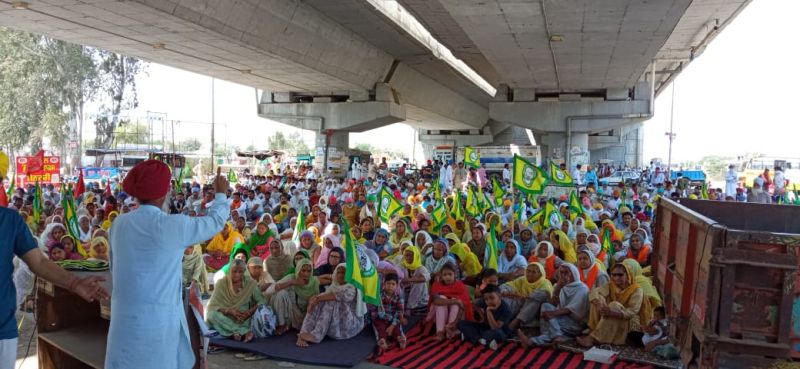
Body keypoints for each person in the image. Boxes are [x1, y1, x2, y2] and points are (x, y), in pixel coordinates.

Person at [106, 161, 229, 369]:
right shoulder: (172, 225)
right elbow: (215, 222)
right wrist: (220, 194)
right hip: (158, 323)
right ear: (164, 193)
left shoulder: (118, 224)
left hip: (123, 321)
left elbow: (114, 268)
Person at [577, 263, 650, 347]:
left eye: (620, 275)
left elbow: (632, 312)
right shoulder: (611, 285)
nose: (616, 278)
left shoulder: (637, 290)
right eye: (614, 275)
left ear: (628, 275)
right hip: (611, 314)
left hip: (629, 321)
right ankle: (594, 330)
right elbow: (594, 292)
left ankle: (593, 339)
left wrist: (612, 313)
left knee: (614, 305)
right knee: (597, 300)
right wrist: (600, 306)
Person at [296, 264, 366, 347]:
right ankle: (303, 333)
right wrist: (313, 302)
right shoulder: (334, 285)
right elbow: (323, 296)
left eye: (343, 273)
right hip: (333, 323)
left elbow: (336, 296)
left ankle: (316, 335)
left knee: (329, 301)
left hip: (346, 325)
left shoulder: (352, 288)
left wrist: (316, 299)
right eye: (338, 272)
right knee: (319, 301)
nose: (340, 275)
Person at [519, 264, 589, 346]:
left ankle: (548, 337)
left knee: (550, 318)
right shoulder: (562, 286)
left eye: (566, 272)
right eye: (561, 272)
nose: (563, 275)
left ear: (574, 273)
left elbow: (570, 310)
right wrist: (558, 287)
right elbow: (552, 304)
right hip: (560, 320)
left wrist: (553, 314)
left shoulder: (582, 288)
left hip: (574, 323)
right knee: (546, 306)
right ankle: (558, 336)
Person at [206, 259, 266, 342]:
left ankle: (234, 332)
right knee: (211, 315)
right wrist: (229, 311)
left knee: (247, 321)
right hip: (225, 318)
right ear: (229, 271)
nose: (237, 274)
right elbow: (212, 306)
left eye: (240, 272)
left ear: (244, 272)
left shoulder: (250, 284)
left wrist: (249, 312)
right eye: (234, 271)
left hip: (243, 318)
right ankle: (243, 332)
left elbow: (262, 301)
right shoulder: (221, 283)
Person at [269, 259, 320, 335]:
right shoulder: (291, 277)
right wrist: (292, 282)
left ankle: (301, 327)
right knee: (280, 293)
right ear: (298, 269)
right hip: (291, 312)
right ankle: (282, 324)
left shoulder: (314, 281)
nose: (306, 274)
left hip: (306, 314)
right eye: (303, 270)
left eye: (309, 271)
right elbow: (272, 289)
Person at [457, 284, 513, 350]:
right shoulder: (484, 301)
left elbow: (495, 327)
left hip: (500, 331)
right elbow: (474, 303)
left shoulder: (506, 309)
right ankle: (482, 340)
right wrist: (482, 316)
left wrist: (488, 311)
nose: (489, 301)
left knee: (497, 333)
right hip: (485, 327)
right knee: (461, 323)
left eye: (492, 298)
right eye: (486, 299)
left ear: (499, 296)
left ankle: (473, 336)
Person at [426, 262, 473, 341]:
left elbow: (463, 306)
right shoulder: (437, 284)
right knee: (443, 298)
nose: (447, 277)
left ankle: (450, 330)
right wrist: (455, 301)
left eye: (450, 274)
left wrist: (454, 323)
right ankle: (440, 332)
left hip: (458, 317)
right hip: (438, 315)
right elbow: (436, 301)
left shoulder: (460, 286)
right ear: (441, 276)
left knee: (456, 303)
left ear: (455, 274)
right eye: (445, 275)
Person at [501, 263, 552, 330]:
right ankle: (504, 319)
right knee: (505, 296)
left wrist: (525, 296)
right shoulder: (522, 279)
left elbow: (544, 294)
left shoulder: (545, 283)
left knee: (533, 300)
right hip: (521, 303)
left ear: (540, 274)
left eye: (534, 272)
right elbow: (506, 286)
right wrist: (505, 292)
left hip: (536, 310)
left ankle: (516, 322)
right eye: (528, 270)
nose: (530, 274)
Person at [371, 273, 407, 351]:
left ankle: (399, 338)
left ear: (397, 285)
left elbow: (400, 312)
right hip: (380, 318)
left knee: (397, 327)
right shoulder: (379, 296)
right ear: (384, 284)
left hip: (393, 319)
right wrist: (379, 316)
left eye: (393, 284)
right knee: (380, 327)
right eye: (388, 283)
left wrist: (392, 326)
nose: (390, 286)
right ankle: (382, 340)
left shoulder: (399, 297)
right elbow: (374, 311)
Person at [398, 246, 431, 315]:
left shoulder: (421, 268)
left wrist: (410, 280)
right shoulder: (402, 266)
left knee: (419, 283)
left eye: (411, 255)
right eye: (406, 255)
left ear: (416, 256)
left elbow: (427, 277)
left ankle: (410, 307)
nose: (408, 257)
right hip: (405, 294)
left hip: (420, 298)